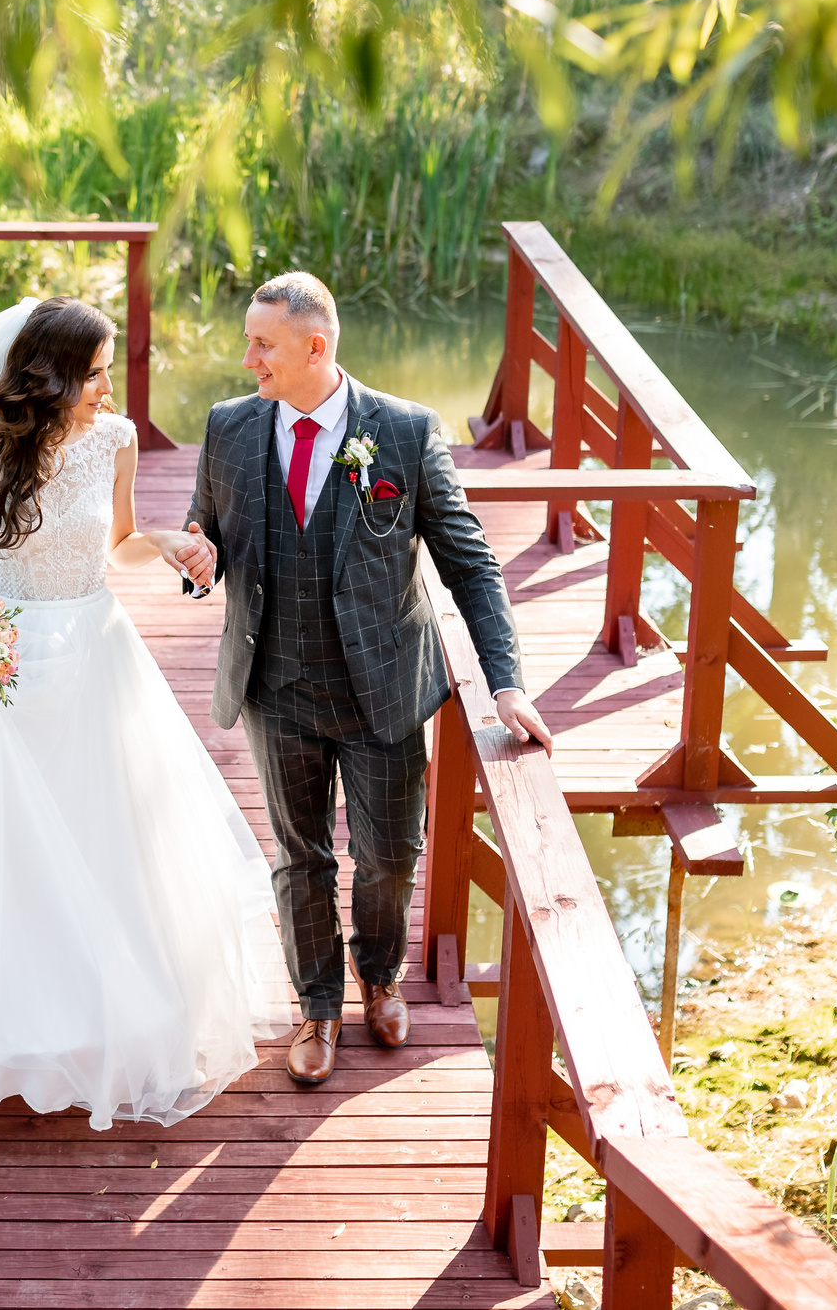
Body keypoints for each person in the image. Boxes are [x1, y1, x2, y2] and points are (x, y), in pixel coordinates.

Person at [0, 296, 290, 1128]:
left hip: (96, 652)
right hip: (8, 658)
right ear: (51, 377)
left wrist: (164, 542)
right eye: (96, 372)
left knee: (107, 829)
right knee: (7, 842)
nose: (110, 386)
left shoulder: (114, 443)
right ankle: (8, 1014)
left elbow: (115, 542)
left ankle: (114, 1009)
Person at [173, 271, 554, 1086]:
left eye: (262, 343)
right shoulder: (229, 427)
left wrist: (507, 683)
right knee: (299, 854)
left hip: (382, 687)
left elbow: (471, 564)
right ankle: (317, 1003)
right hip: (275, 685)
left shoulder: (406, 433)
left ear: (316, 347)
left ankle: (378, 975)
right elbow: (204, 526)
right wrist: (199, 558)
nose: (247, 359)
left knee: (389, 852)